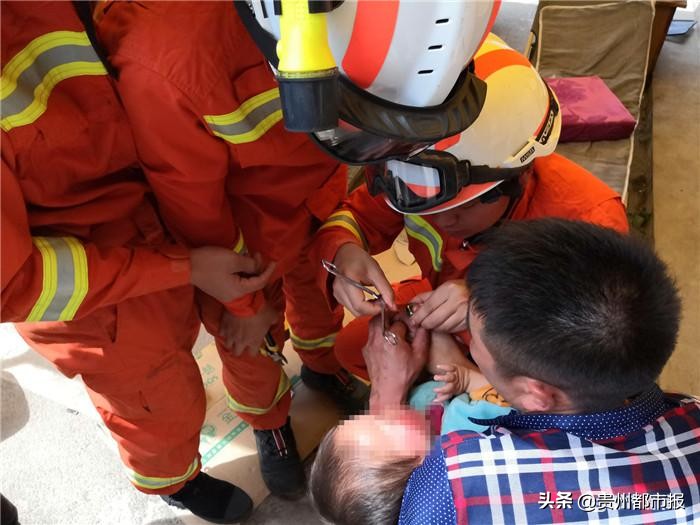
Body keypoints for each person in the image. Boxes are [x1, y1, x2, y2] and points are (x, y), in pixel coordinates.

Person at [92, 0, 499, 511]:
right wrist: (247, 308)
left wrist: (336, 245)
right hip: (237, 244)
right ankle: (270, 422)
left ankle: (319, 367)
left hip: (309, 204)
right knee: (253, 342)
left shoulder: (422, 32)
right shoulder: (173, 63)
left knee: (317, 300)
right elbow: (200, 223)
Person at [1, 2, 279, 523]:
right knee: (158, 404)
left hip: (179, 204)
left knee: (248, 327)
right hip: (98, 288)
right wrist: (182, 269)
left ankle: (270, 418)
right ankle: (176, 480)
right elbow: (12, 282)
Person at [309, 218, 700, 525]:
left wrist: (386, 397)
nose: (467, 341)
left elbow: (376, 498)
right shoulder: (690, 413)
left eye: (474, 345)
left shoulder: (454, 485)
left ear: (537, 395)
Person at [312, 34, 629, 382]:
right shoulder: (415, 175)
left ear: (515, 177)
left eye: (457, 208)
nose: (436, 218)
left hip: (519, 347)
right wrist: (343, 251)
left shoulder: (591, 225)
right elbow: (353, 217)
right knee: (353, 349)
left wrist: (487, 309)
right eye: (421, 202)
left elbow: (587, 351)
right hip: (435, 308)